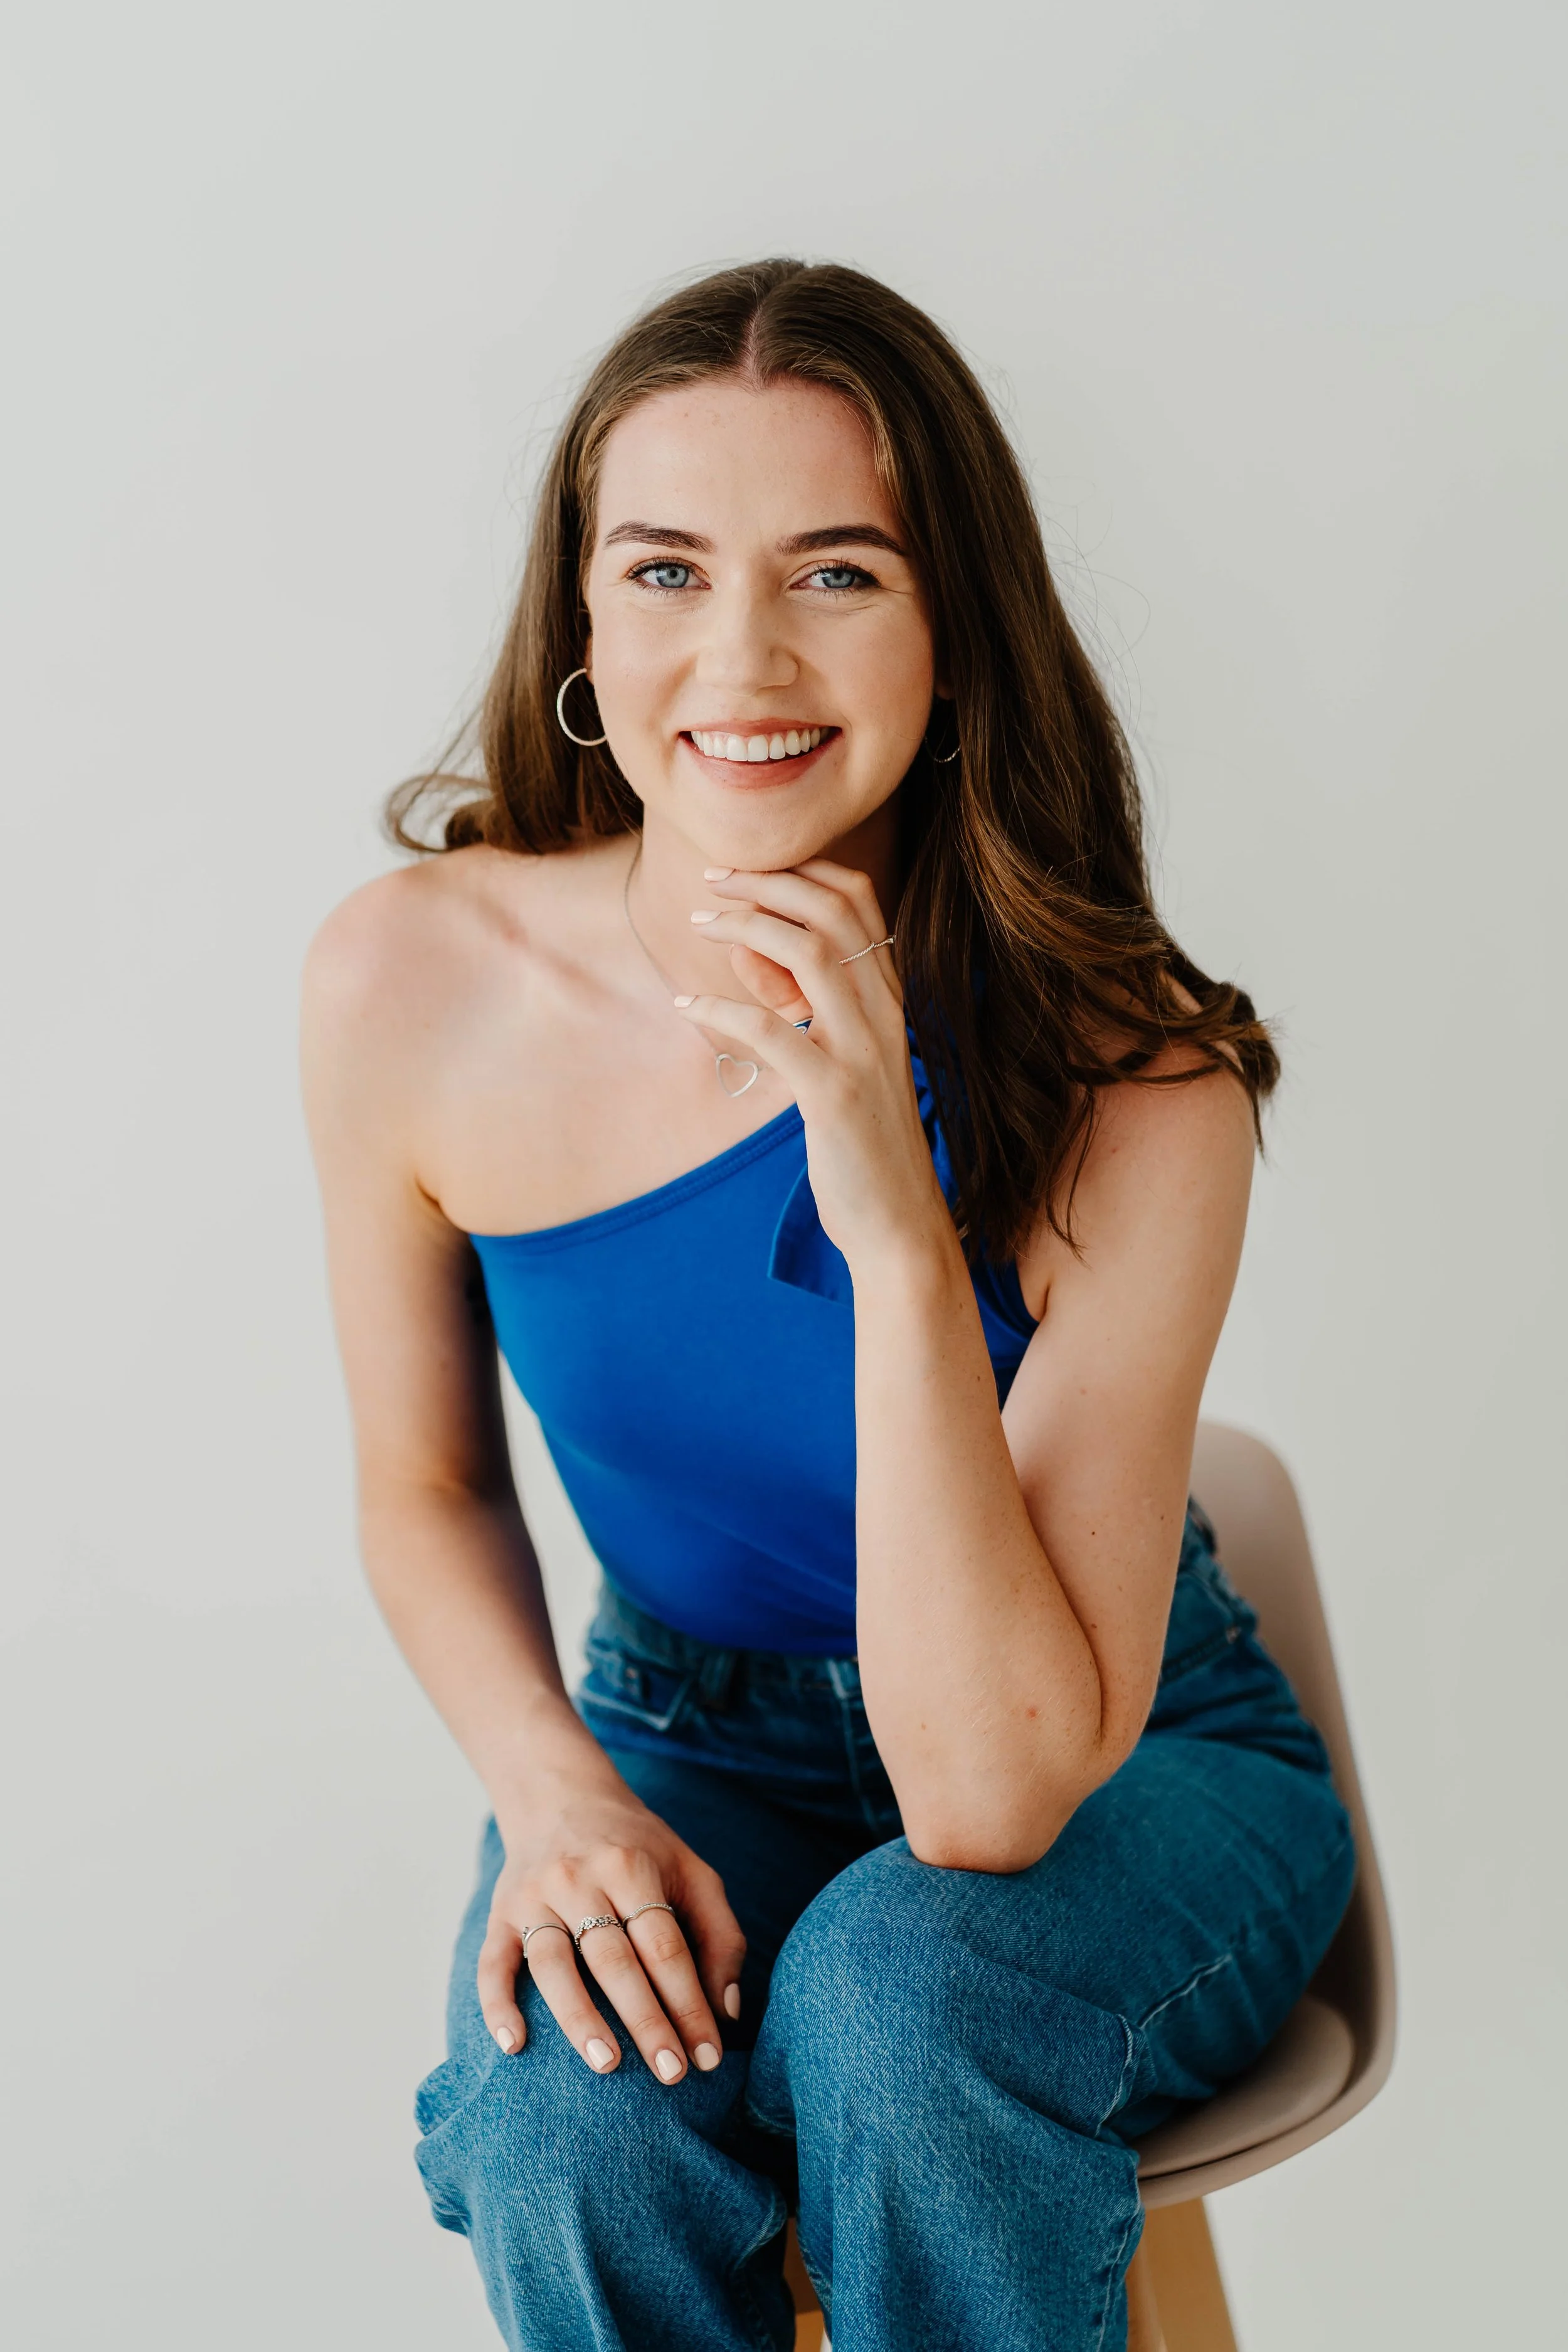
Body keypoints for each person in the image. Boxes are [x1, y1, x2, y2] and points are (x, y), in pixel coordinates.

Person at [301, 258, 1354, 2352]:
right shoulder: (408, 984)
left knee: (904, 1991)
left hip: (1121, 1765)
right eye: (667, 570)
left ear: (953, 626)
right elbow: (424, 1483)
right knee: (565, 2105)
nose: (744, 656)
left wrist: (886, 1214)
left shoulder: (1136, 1086)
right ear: (584, 628)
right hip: (684, 1731)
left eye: (839, 572)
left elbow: (985, 1804)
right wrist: (557, 1793)